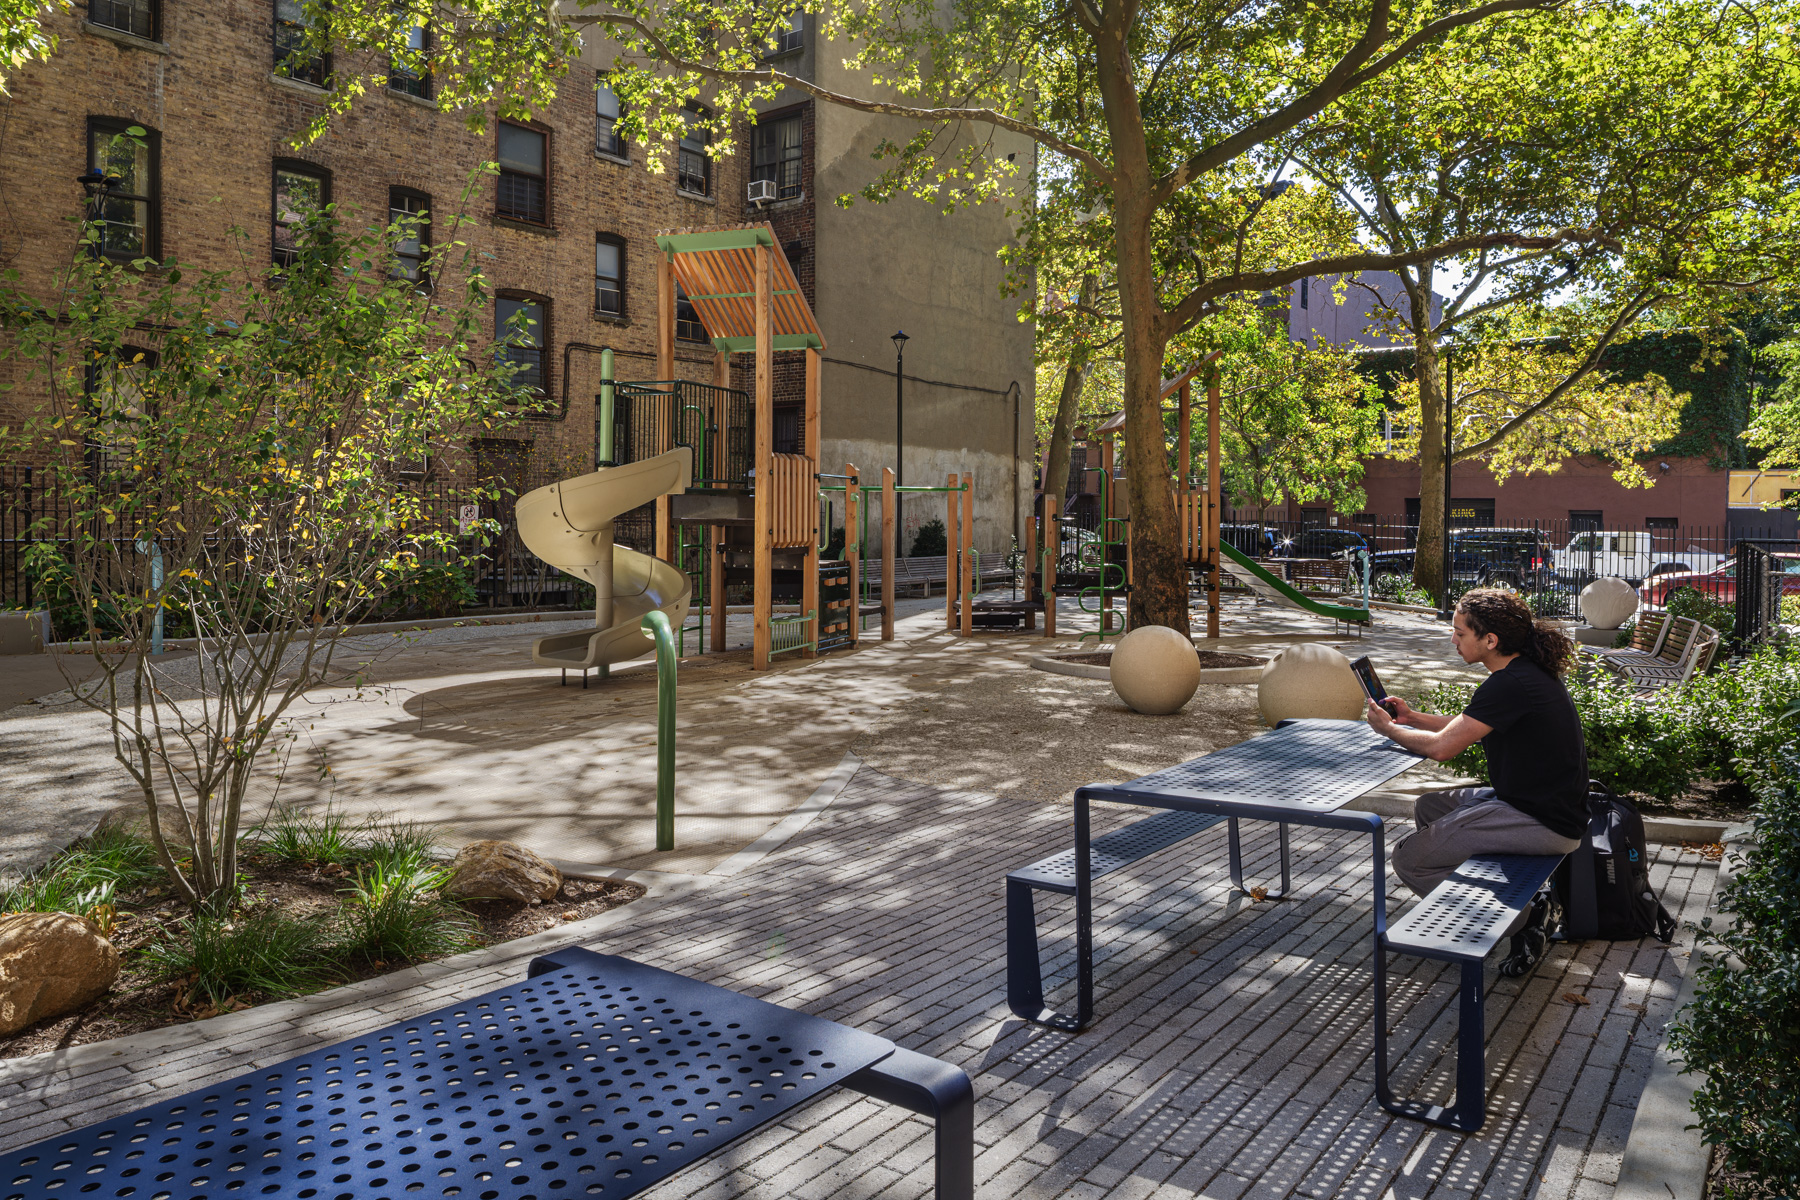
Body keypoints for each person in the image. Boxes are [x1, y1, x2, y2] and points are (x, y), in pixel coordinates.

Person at [1365, 588, 1588, 976]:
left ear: (1490, 640)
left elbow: (1441, 749)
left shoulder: (1510, 684)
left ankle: (1528, 917)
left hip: (1544, 821)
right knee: (1428, 808)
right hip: (1527, 802)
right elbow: (1463, 728)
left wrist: (1388, 730)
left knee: (1408, 859)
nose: (1453, 640)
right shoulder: (1521, 673)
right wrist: (1411, 718)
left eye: (1460, 633)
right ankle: (1473, 887)